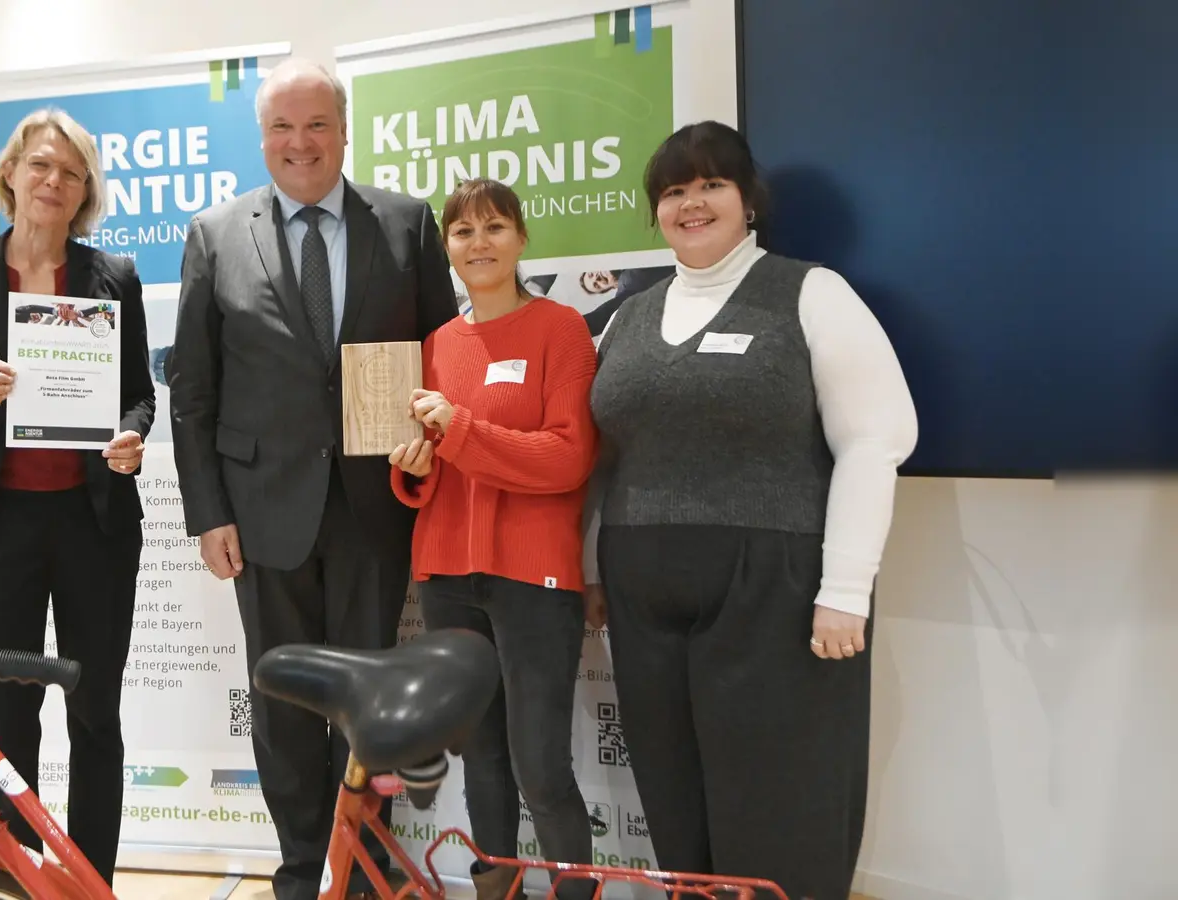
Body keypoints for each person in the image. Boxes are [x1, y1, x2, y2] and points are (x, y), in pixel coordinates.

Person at [581, 120, 918, 900]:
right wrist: (591, 563)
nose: (692, 203)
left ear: (747, 200)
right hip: (641, 592)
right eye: (673, 191)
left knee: (780, 799)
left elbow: (875, 438)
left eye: (711, 185)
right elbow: (605, 457)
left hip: (774, 586)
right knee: (673, 794)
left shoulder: (810, 291)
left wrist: (846, 590)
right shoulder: (628, 318)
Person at [166, 58, 459, 900]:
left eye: (317, 124)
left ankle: (365, 875)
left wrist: (433, 444)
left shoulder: (403, 224)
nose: (301, 143)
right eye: (283, 128)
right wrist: (208, 513)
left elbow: (446, 357)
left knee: (378, 708)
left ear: (344, 128)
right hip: (262, 515)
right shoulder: (216, 233)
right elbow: (193, 390)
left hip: (378, 505)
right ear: (261, 137)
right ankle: (305, 871)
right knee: (287, 703)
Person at [0, 107, 155, 886]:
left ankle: (90, 881)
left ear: (86, 192)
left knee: (95, 714)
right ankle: (18, 877)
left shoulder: (112, 277)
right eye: (40, 165)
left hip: (95, 524)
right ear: (10, 172)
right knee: (6, 720)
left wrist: (129, 436)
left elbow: (139, 395)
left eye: (71, 172)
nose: (54, 181)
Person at [387, 178, 598, 900]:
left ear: (522, 238)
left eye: (495, 227)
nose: (479, 244)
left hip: (533, 577)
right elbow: (427, 466)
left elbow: (568, 458)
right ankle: (495, 892)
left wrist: (462, 430)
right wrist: (412, 470)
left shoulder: (561, 329)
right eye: (464, 232)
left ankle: (576, 890)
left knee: (540, 764)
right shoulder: (437, 345)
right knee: (483, 759)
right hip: (446, 574)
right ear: (446, 247)